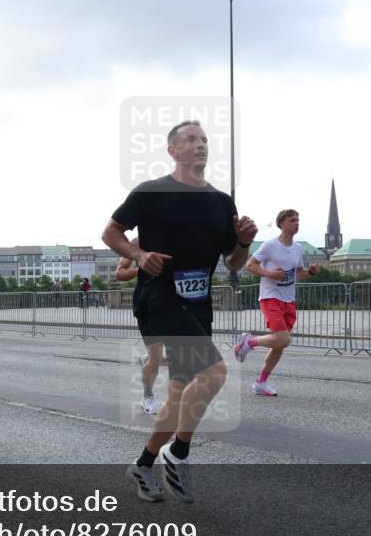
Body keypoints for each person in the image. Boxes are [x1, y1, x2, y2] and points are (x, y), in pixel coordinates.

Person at [103, 119, 257, 503]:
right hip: (160, 298)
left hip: (198, 303)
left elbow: (235, 263)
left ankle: (143, 463)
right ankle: (180, 451)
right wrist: (139, 255)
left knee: (177, 395)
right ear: (172, 149)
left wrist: (242, 242)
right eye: (190, 140)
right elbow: (110, 232)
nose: (200, 145)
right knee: (215, 372)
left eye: (204, 140)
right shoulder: (151, 192)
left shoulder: (222, 202)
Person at [234, 209, 320, 395]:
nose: (296, 223)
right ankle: (248, 342)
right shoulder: (270, 245)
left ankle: (261, 382)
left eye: (298, 220)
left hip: (289, 299)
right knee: (283, 338)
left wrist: (310, 272)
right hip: (270, 296)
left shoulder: (298, 249)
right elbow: (250, 265)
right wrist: (270, 274)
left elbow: (297, 274)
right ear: (281, 224)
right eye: (292, 220)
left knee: (280, 343)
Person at [115, 236, 168, 415]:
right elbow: (119, 273)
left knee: (185, 356)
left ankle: (148, 360)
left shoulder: (181, 232)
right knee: (156, 359)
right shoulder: (138, 241)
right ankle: (148, 397)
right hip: (148, 305)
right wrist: (142, 269)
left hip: (175, 303)